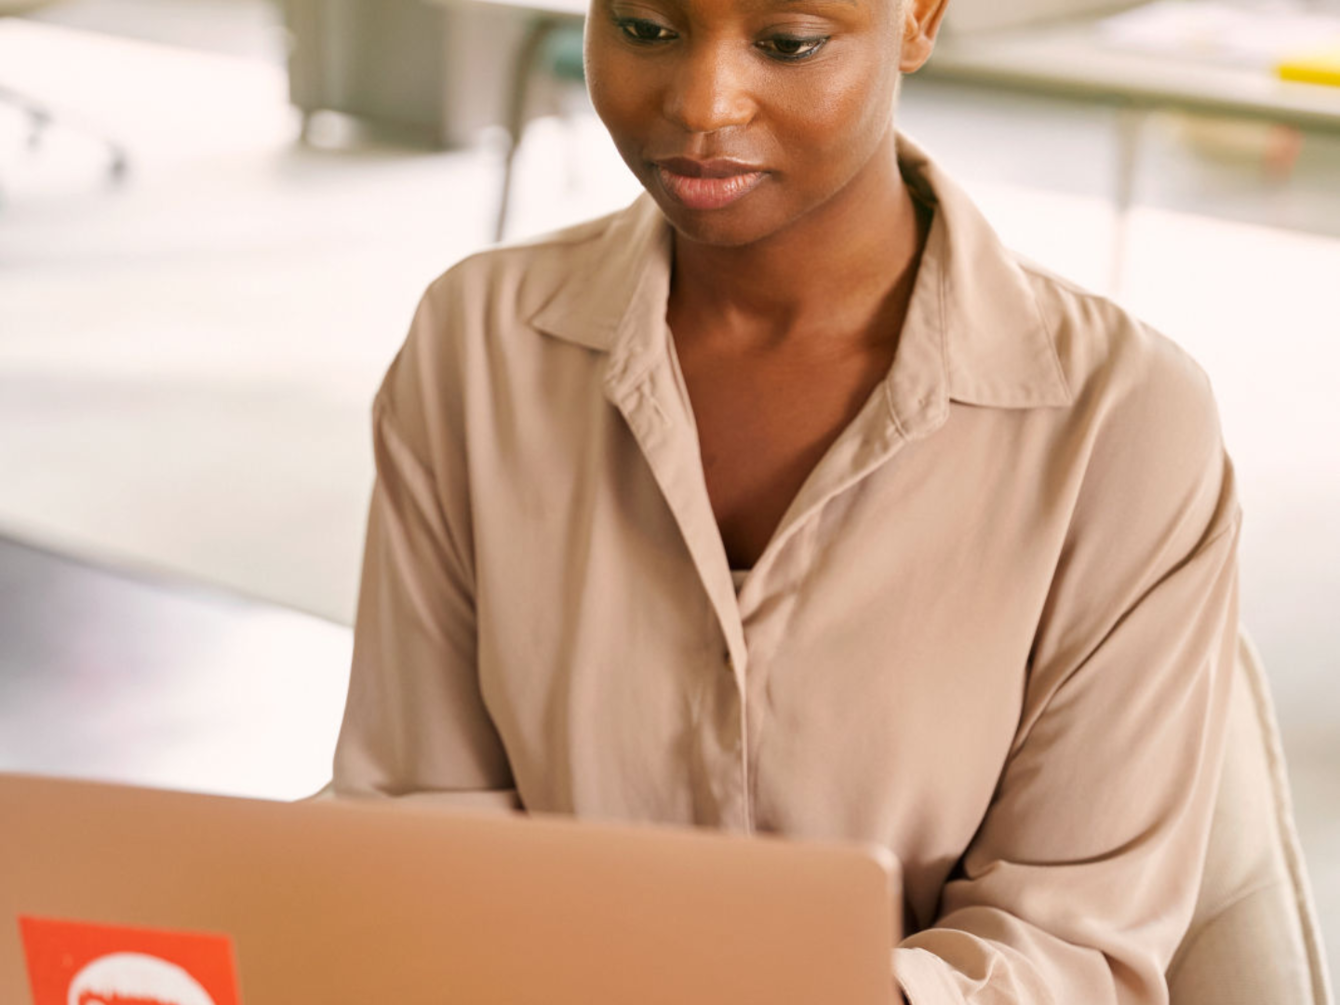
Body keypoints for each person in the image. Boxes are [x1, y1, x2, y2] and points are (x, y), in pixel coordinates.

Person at [331, 0, 1243, 1000]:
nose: (699, 103)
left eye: (787, 44)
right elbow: (415, 819)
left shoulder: (1119, 419)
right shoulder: (480, 343)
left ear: (918, 19)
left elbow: (1068, 950)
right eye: (642, 28)